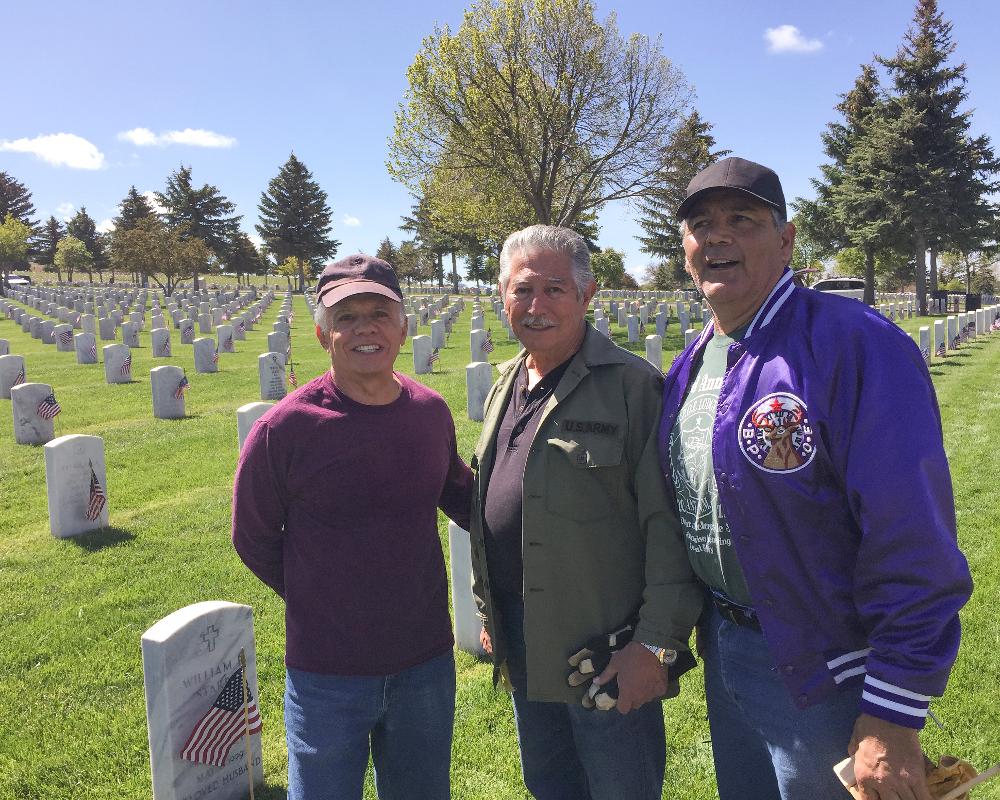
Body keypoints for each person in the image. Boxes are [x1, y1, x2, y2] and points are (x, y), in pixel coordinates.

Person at [659, 156, 973, 800]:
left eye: (740, 220)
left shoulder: (857, 345)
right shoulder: (693, 360)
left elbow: (910, 533)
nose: (716, 237)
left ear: (787, 238)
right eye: (699, 224)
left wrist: (892, 710)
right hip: (727, 648)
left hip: (828, 668)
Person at [468, 224, 702, 800]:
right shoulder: (506, 382)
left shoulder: (631, 386)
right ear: (502, 295)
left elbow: (669, 526)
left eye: (555, 289)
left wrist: (654, 645)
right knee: (549, 785)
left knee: (620, 787)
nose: (536, 305)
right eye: (522, 290)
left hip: (603, 649)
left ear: (587, 293)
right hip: (525, 640)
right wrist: (488, 609)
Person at [232, 254, 473, 800]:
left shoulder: (429, 413)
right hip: (327, 670)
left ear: (404, 327)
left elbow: (462, 495)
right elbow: (253, 536)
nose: (365, 328)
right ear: (323, 333)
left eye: (380, 312)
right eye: (347, 316)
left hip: (425, 662)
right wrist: (323, 595)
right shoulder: (285, 428)